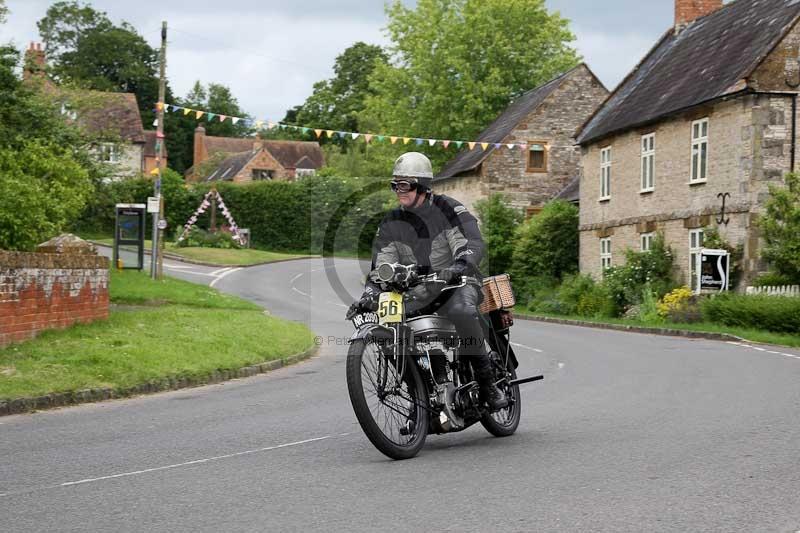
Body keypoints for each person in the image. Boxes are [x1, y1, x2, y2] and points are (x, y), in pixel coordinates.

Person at [348, 152, 508, 411]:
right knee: (390, 331)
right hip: (418, 292)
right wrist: (369, 294)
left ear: (422, 186)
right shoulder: (391, 223)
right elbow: (381, 267)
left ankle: (488, 383)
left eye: (404, 184)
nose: (398, 190)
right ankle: (420, 399)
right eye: (395, 185)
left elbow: (471, 243)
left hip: (456, 284)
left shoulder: (448, 209)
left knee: (461, 311)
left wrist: (457, 267)